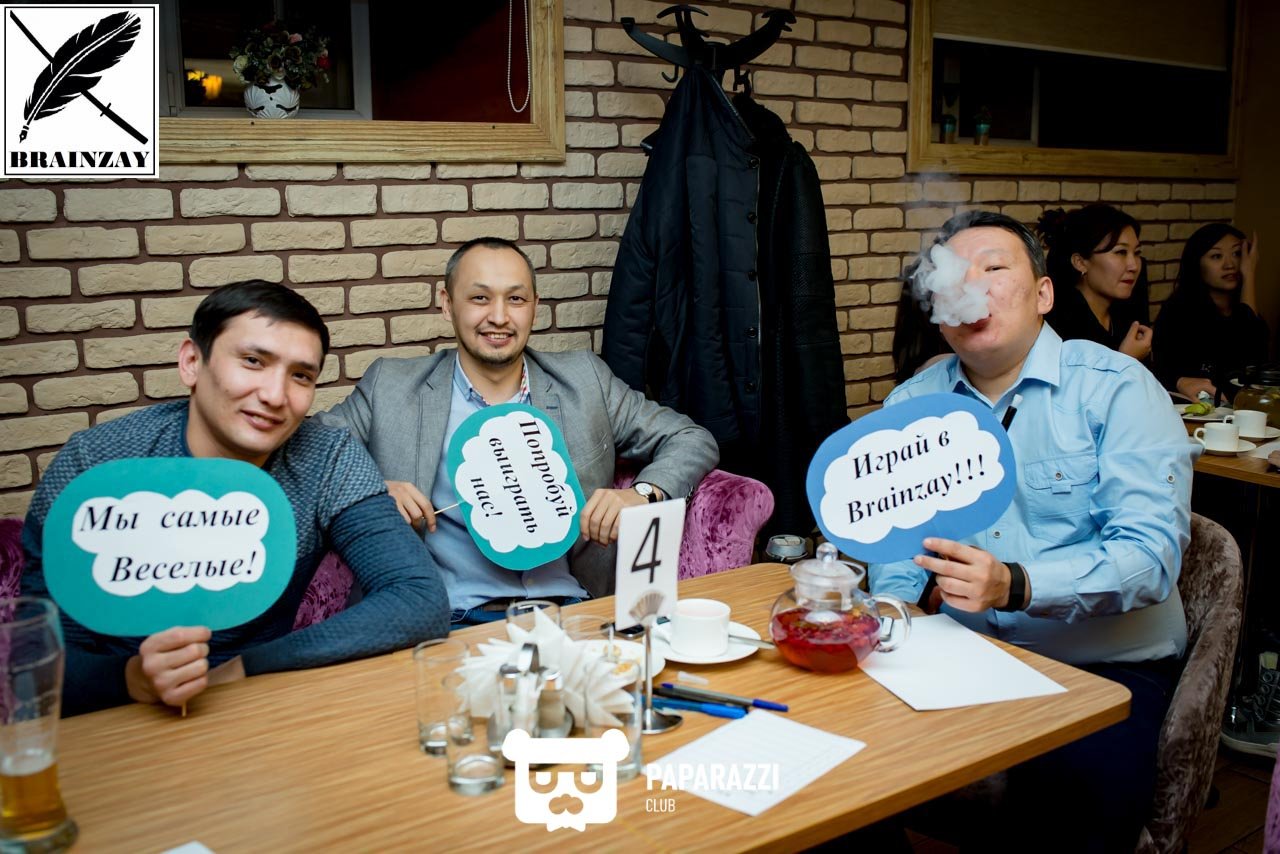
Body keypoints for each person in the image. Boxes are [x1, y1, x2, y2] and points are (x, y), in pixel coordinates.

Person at [869, 211, 1195, 851]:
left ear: (1044, 294)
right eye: (953, 276)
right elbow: (903, 540)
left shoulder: (1117, 389)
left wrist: (1016, 584)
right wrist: (893, 606)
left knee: (1066, 801)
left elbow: (1150, 555)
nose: (972, 287)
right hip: (965, 656)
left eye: (993, 268)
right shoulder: (911, 407)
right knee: (839, 767)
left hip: (1101, 667)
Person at [21, 281, 450, 716]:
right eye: (253, 361)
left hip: (259, 704)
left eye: (300, 376)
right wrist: (132, 678)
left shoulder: (327, 456)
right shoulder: (95, 464)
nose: (274, 396)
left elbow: (419, 599)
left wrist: (245, 667)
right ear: (192, 362)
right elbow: (37, 658)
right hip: (115, 717)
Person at [316, 237, 718, 625]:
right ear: (447, 304)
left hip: (571, 612)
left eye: (516, 299)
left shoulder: (585, 381)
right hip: (445, 619)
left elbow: (691, 438)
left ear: (535, 307)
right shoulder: (390, 387)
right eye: (480, 298)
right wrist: (371, 489)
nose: (499, 317)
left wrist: (642, 493)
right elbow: (307, 448)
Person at [1153, 223, 1267, 401]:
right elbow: (1163, 372)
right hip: (1193, 409)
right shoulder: (1177, 312)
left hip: (1241, 410)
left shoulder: (1244, 312)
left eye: (1237, 254)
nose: (1229, 265)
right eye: (1216, 256)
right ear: (1197, 263)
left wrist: (1249, 275)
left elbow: (1253, 361)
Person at [1038, 204, 1153, 361]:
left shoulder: (1126, 315)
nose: (1134, 266)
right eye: (1120, 252)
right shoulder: (1059, 328)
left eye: (1137, 253)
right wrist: (1126, 359)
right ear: (1080, 262)